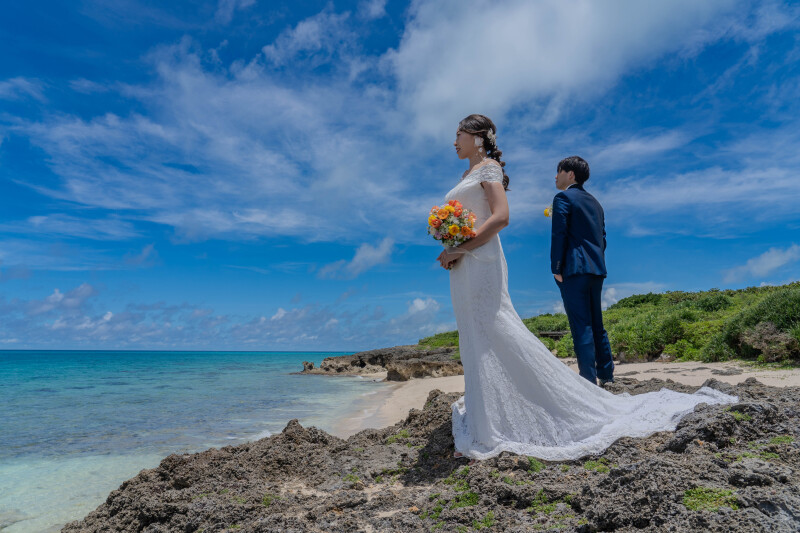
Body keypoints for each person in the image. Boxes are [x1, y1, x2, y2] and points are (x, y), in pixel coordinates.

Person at [437, 114, 736, 461]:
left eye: (458, 133)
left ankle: (572, 390)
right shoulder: (590, 201)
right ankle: (491, 411)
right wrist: (452, 239)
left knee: (510, 326)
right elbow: (601, 236)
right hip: (512, 265)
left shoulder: (493, 171)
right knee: (487, 331)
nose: (454, 140)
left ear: (477, 137)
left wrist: (463, 247)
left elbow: (504, 217)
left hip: (486, 259)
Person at [550, 156, 615, 386]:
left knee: (581, 325)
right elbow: (602, 238)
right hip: (596, 269)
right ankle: (607, 375)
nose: (555, 176)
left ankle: (588, 380)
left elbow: (559, 234)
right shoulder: (596, 203)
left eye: (559, 171)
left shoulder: (563, 197)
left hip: (574, 270)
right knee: (597, 323)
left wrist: (556, 267)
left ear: (571, 174)